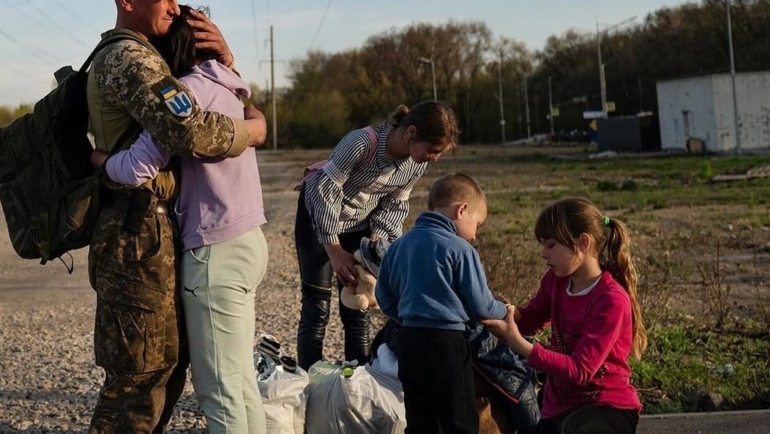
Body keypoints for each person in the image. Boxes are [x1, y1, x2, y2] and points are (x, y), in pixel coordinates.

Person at [86, 1, 267, 433]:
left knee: (192, 377)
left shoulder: (197, 82)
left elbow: (167, 139)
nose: (170, 4)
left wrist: (95, 159)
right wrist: (253, 124)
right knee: (149, 377)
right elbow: (190, 131)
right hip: (148, 234)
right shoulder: (132, 59)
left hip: (199, 241)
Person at [294, 100, 461, 371]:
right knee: (317, 306)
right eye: (432, 149)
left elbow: (395, 203)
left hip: (361, 222)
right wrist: (335, 250)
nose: (435, 157)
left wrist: (376, 246)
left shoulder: (416, 163)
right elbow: (326, 192)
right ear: (411, 132)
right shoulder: (361, 143)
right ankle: (310, 382)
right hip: (319, 217)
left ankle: (355, 379)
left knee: (360, 305)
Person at [481, 197, 647, 434]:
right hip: (560, 407)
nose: (543, 254)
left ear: (582, 243)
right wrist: (503, 311)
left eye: (550, 245)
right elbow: (530, 319)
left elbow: (580, 370)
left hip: (608, 408)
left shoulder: (610, 300)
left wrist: (518, 343)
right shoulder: (556, 281)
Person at [375, 172, 509, 434]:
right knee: (458, 419)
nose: (475, 236)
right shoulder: (460, 249)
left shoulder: (399, 245)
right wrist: (504, 309)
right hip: (447, 343)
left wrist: (407, 316)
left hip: (409, 340)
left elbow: (384, 297)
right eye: (478, 225)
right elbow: (481, 306)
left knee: (420, 418)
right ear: (462, 210)